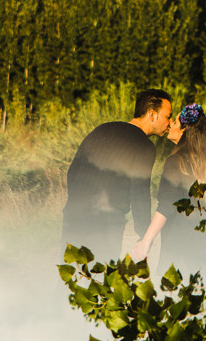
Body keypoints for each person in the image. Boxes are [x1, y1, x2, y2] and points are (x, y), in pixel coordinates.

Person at [130, 103, 206, 276]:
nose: (170, 125)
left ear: (184, 131)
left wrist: (146, 241)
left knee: (173, 295)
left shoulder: (176, 162)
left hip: (181, 247)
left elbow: (167, 204)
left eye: (175, 123)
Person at [61, 88, 172, 263]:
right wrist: (144, 236)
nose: (170, 123)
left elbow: (73, 171)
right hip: (106, 225)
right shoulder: (144, 145)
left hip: (73, 216)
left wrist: (77, 202)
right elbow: (139, 193)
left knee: (69, 279)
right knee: (100, 280)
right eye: (168, 116)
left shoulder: (102, 129)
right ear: (152, 115)